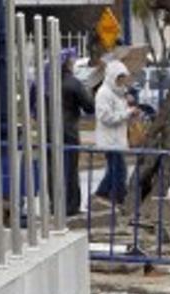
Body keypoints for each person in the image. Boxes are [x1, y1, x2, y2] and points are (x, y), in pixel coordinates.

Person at [94, 60, 138, 205]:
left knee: (116, 170)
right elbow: (106, 117)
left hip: (118, 138)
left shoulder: (120, 93)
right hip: (109, 139)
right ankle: (110, 196)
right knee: (119, 171)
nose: (122, 81)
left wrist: (130, 107)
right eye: (120, 78)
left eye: (123, 78)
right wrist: (127, 113)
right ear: (112, 77)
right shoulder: (104, 93)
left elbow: (119, 111)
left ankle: (106, 195)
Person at [60, 48, 94, 216]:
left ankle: (55, 204)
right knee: (71, 169)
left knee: (54, 168)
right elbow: (89, 107)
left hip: (49, 131)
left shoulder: (44, 81)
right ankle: (71, 206)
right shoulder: (73, 83)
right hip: (69, 131)